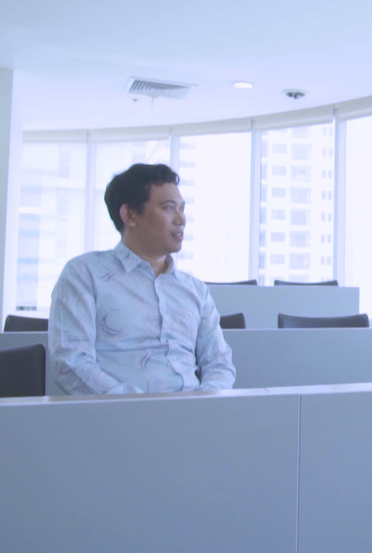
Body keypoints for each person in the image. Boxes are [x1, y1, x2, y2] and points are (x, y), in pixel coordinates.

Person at [49, 163, 235, 394]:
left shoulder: (195, 289)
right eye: (168, 208)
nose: (181, 219)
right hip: (117, 412)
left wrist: (203, 404)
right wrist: (138, 406)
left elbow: (219, 363)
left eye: (182, 208)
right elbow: (71, 363)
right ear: (129, 215)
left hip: (195, 411)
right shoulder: (84, 274)